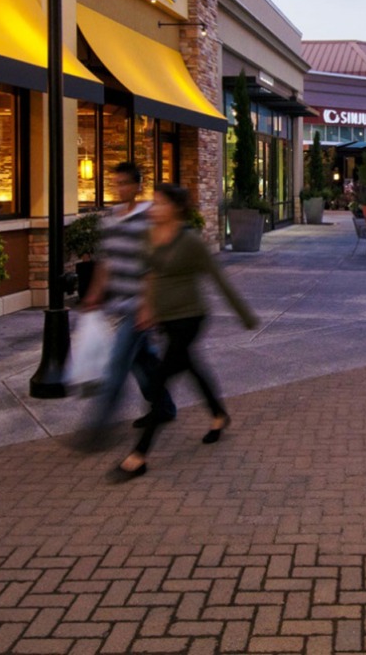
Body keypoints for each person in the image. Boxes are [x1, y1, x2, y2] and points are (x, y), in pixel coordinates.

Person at [113, 184, 259, 480]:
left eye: (159, 204)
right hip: (165, 320)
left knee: (161, 381)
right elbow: (149, 274)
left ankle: (139, 455)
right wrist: (146, 308)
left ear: (176, 208)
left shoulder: (190, 241)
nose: (153, 209)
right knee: (193, 369)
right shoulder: (150, 236)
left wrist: (244, 315)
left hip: (190, 319)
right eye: (153, 203)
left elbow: (218, 278)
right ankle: (219, 415)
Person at [78, 162, 176, 444]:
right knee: (142, 362)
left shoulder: (147, 220)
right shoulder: (110, 220)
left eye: (124, 183)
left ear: (136, 186)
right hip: (119, 304)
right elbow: (105, 262)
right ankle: (164, 406)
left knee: (118, 363)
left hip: (140, 304)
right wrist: (94, 294)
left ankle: (97, 428)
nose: (120, 188)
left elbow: (154, 265)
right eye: (116, 183)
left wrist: (149, 304)